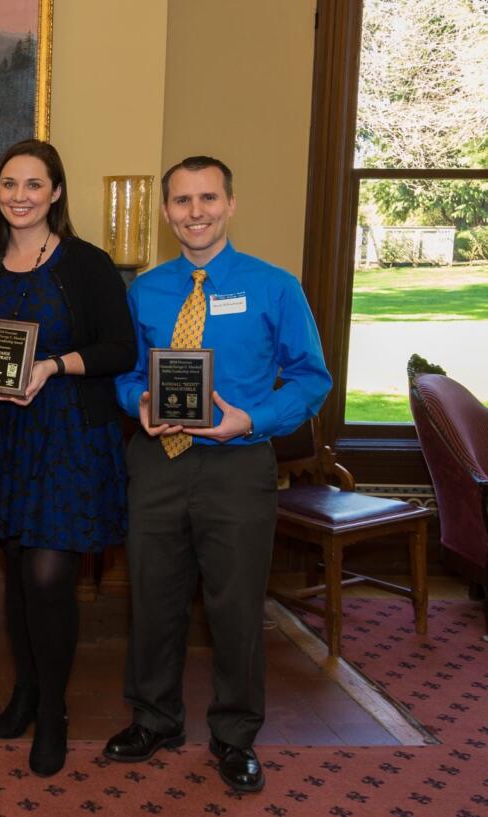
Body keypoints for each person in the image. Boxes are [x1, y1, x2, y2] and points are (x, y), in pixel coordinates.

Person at [103, 156, 331, 792]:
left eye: (207, 198)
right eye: (181, 201)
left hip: (237, 464)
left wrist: (252, 418)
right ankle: (154, 720)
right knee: (152, 599)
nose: (194, 212)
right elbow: (124, 373)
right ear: (167, 211)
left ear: (231, 204)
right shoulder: (145, 290)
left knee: (234, 609)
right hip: (158, 462)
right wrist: (138, 402)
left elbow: (314, 379)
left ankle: (235, 737)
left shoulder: (274, 286)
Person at [0, 140, 136, 776]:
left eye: (33, 185)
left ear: (55, 192)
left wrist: (54, 365)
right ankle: (26, 688)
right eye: (9, 185)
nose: (19, 196)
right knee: (16, 568)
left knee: (50, 577)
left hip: (67, 437)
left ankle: (52, 709)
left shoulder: (86, 265)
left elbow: (120, 349)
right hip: (4, 435)